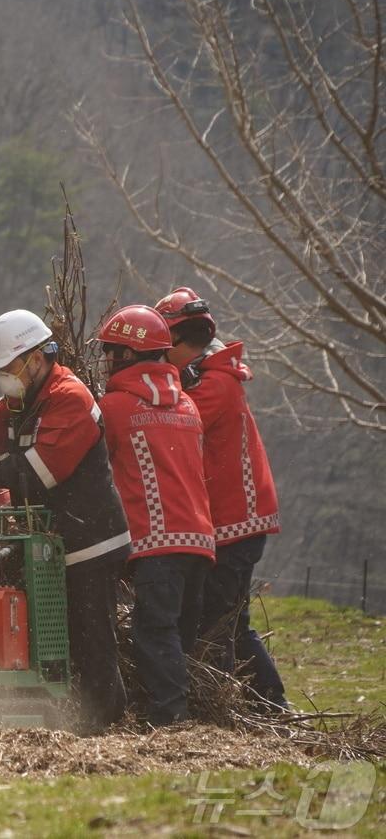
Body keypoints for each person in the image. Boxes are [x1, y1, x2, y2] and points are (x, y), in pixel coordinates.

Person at [0, 308, 131, 732]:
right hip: (53, 547)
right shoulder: (25, 401)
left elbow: (38, 469)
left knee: (93, 642)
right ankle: (66, 716)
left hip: (90, 544)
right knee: (56, 638)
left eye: (11, 367)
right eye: (2, 370)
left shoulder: (68, 398)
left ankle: (105, 726)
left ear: (37, 358)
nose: (6, 377)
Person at [156, 286, 286, 709]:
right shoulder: (214, 378)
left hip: (235, 524)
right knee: (231, 621)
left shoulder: (211, 387)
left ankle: (257, 704)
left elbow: (169, 420)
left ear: (179, 341)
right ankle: (265, 704)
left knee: (222, 623)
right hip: (235, 522)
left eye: (162, 348)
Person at [96, 305, 217, 726]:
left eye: (112, 352)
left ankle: (171, 721)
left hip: (156, 541)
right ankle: (178, 711)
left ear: (126, 356)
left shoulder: (112, 407)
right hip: (200, 540)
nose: (108, 360)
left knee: (153, 632)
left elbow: (95, 471)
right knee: (179, 636)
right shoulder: (187, 405)